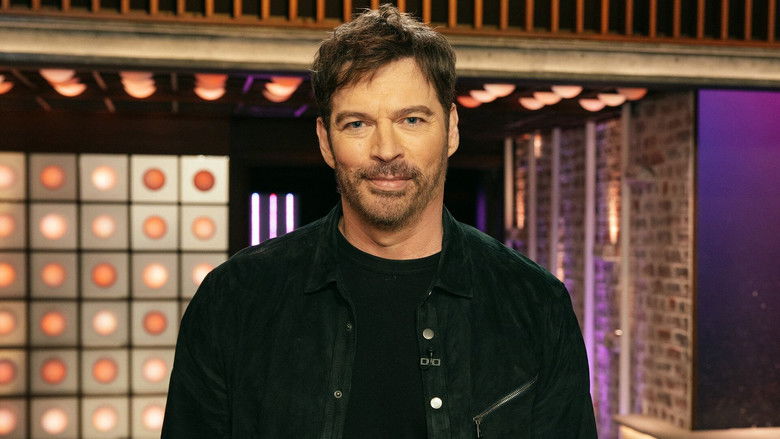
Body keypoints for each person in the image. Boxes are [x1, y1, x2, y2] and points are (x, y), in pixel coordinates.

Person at [162, 4, 597, 438]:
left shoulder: (536, 305)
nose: (386, 149)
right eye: (357, 123)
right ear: (326, 141)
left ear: (451, 129)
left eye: (412, 119)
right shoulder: (234, 299)